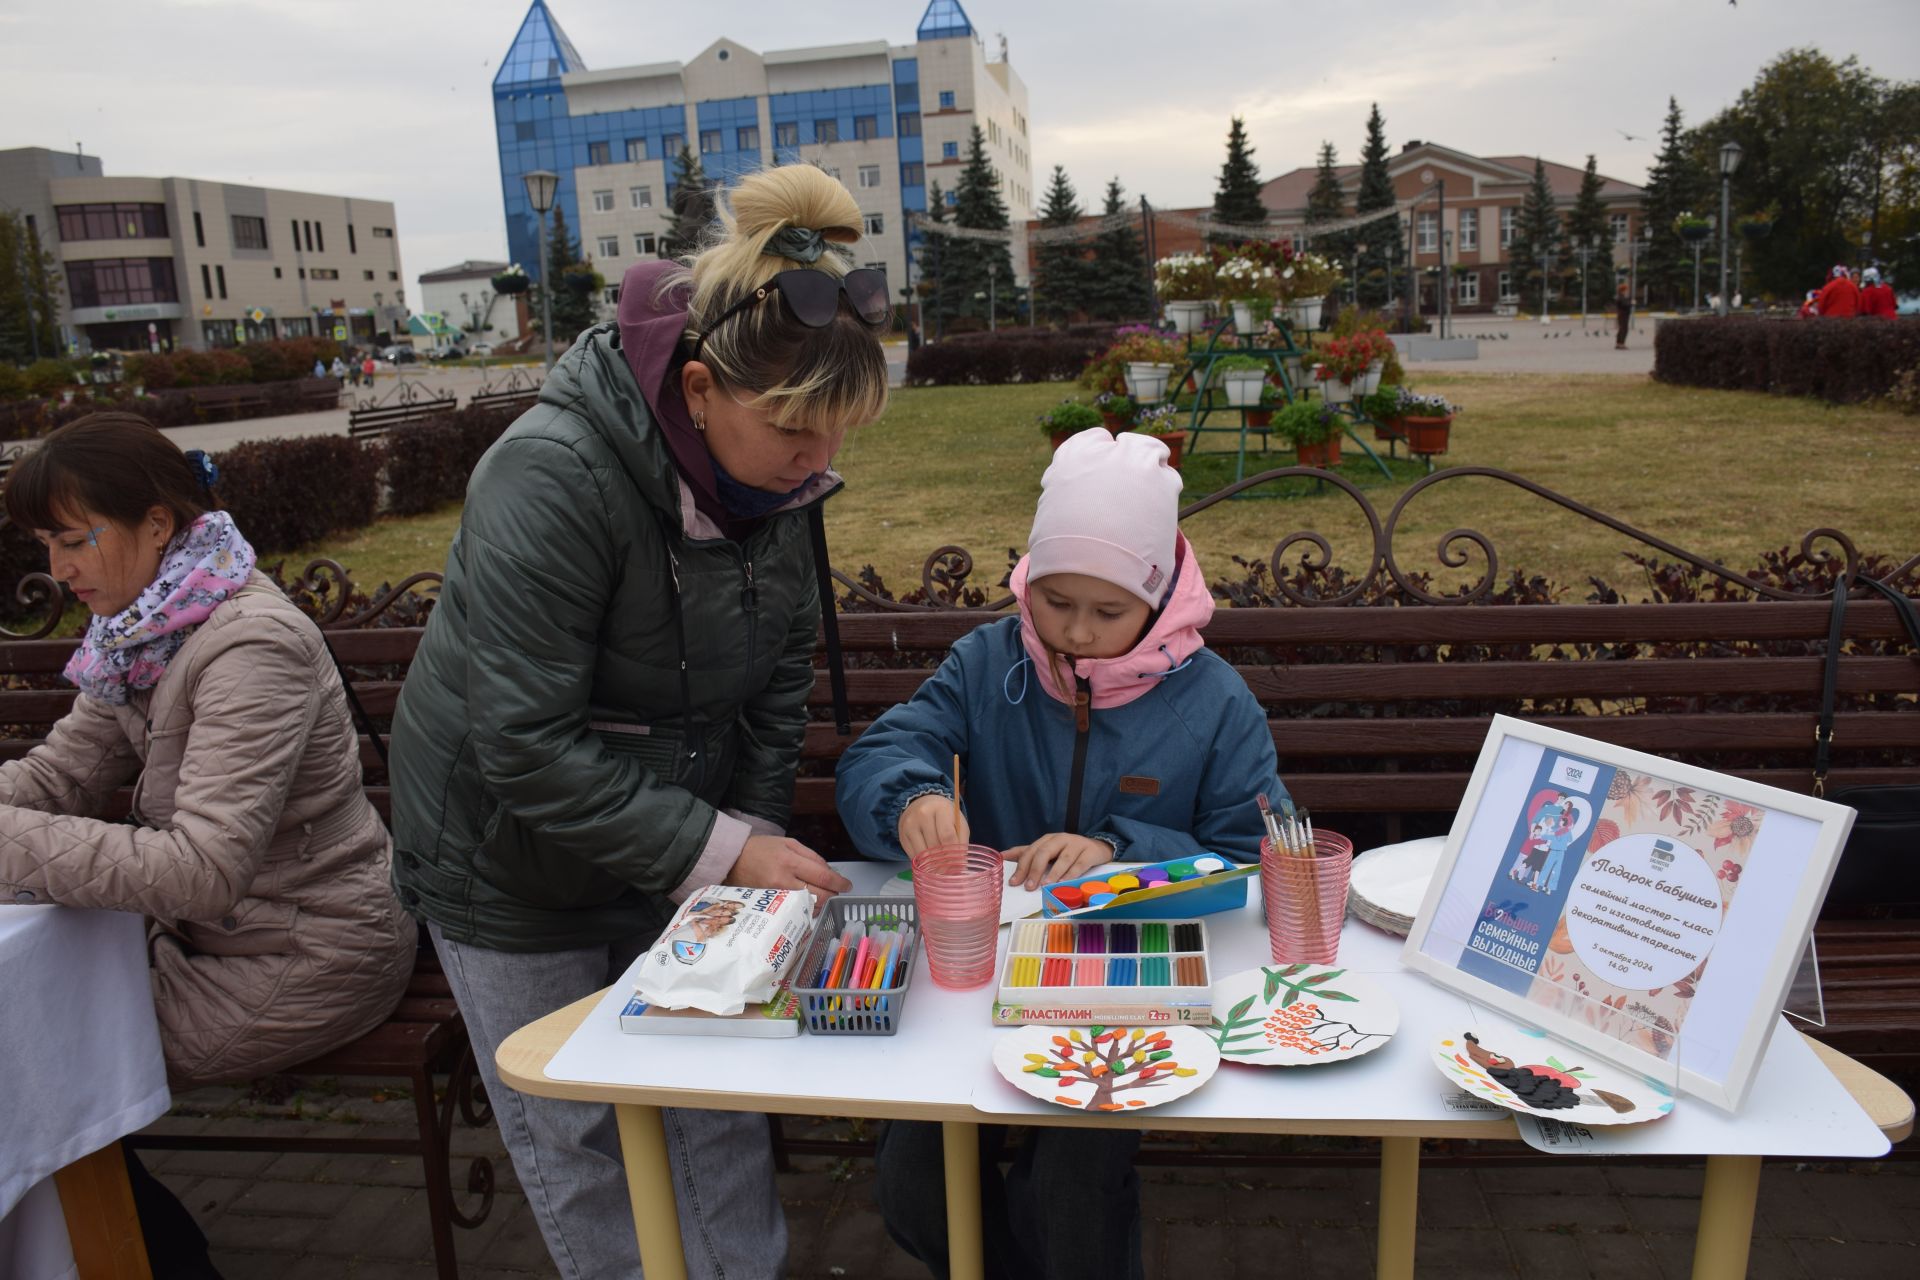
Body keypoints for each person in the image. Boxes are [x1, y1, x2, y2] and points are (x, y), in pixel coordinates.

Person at [386, 164, 890, 1280]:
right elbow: (521, 743)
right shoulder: (550, 477)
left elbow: (774, 687)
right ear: (700, 390)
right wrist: (722, 850)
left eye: (839, 435)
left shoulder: (773, 488)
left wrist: (737, 873)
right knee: (581, 1125)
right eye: (798, 435)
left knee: (711, 1095)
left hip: (675, 843)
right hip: (505, 862)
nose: (822, 467)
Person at [835, 429, 1288, 1280]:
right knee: (912, 1183)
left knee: (1072, 1190)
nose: (1076, 632)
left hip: (1128, 990)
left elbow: (1257, 856)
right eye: (1055, 600)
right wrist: (912, 799)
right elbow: (882, 753)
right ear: (1027, 583)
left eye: (1109, 611)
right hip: (978, 978)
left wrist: (1119, 854)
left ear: (1158, 600)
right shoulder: (988, 663)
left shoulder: (1215, 702)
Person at [0, 413, 418, 1274]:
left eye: (75, 539)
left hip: (303, 955)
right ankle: (136, 1248)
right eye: (47, 544)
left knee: (37, 1057)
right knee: (27, 1052)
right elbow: (55, 779)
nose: (59, 570)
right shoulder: (147, 626)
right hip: (213, 945)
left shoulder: (247, 644)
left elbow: (203, 870)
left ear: (158, 523)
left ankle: (140, 1255)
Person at [1614, 282, 1633, 349]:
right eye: (1626, 290)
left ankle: (1618, 343)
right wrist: (1631, 303)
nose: (1627, 291)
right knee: (1624, 329)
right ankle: (1621, 344)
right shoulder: (1621, 297)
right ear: (1623, 290)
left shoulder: (1620, 296)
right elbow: (1625, 305)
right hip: (1623, 315)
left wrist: (1629, 301)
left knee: (1621, 329)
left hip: (1622, 315)